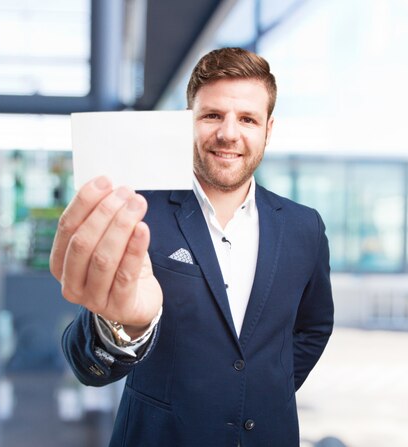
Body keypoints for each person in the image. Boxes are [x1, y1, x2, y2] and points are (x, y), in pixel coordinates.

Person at [50, 47, 334, 447]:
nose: (229, 134)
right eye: (213, 115)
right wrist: (125, 327)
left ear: (268, 129)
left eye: (247, 119)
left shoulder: (305, 227)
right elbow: (85, 362)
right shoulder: (138, 213)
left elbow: (313, 327)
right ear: (189, 122)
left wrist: (260, 392)